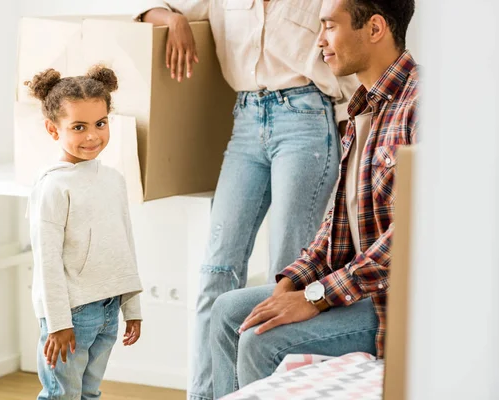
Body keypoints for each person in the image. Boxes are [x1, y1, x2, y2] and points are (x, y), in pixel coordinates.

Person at [134, 2, 359, 399]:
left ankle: (268, 393)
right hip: (245, 119)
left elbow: (347, 48)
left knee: (286, 276)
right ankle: (206, 395)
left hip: (307, 119)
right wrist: (173, 18)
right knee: (215, 272)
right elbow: (145, 8)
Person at [209, 0, 419, 396]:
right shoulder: (361, 108)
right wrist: (292, 283)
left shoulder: (422, 105)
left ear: (375, 29)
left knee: (261, 340)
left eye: (329, 27)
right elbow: (336, 227)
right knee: (226, 313)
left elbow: (411, 237)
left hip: (394, 305)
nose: (319, 40)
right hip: (358, 292)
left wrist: (318, 297)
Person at [26, 65, 143, 399]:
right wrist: (59, 322)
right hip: (72, 315)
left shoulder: (113, 180)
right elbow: (47, 261)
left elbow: (125, 244)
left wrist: (131, 307)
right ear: (53, 129)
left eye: (101, 123)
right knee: (61, 395)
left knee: (90, 393)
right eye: (79, 127)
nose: (93, 136)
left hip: (108, 309)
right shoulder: (53, 187)